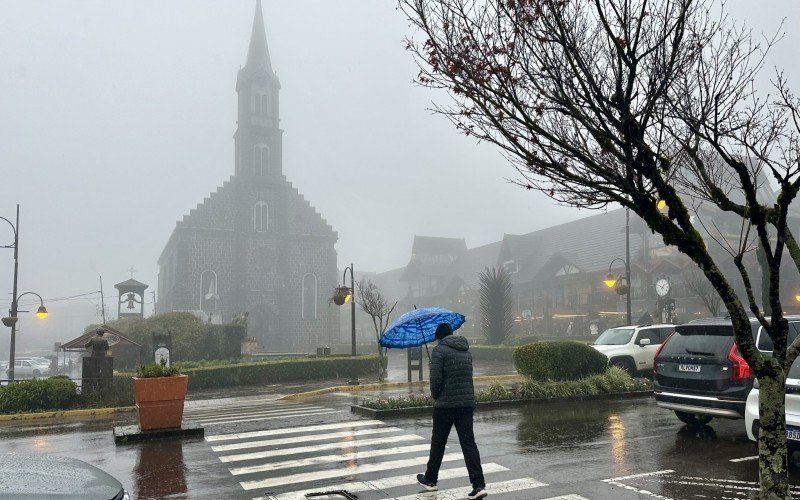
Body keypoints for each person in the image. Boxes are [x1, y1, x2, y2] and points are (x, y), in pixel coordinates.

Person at [417, 323, 486, 499]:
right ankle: (478, 485)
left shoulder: (439, 351)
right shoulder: (465, 350)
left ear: (439, 337)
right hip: (466, 405)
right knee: (468, 443)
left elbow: (436, 383)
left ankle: (431, 479)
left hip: (446, 406)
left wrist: (436, 395)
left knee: (438, 442)